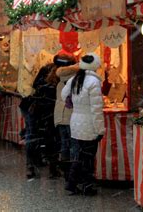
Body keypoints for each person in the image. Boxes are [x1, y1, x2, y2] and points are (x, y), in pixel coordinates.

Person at [61, 53, 105, 196]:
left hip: (76, 121)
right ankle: (85, 185)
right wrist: (100, 130)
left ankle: (73, 183)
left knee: (79, 155)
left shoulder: (75, 78)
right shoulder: (94, 82)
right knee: (88, 157)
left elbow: (63, 94)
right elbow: (96, 109)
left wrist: (74, 102)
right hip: (89, 124)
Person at [24, 61, 58, 179]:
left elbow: (35, 86)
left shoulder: (45, 70)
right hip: (45, 109)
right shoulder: (60, 76)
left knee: (33, 137)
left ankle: (31, 166)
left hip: (35, 107)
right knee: (50, 139)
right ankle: (51, 168)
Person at [53, 54, 79, 182]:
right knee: (74, 145)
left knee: (64, 144)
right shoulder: (76, 78)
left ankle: (66, 172)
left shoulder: (57, 77)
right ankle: (73, 174)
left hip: (59, 115)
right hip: (71, 115)